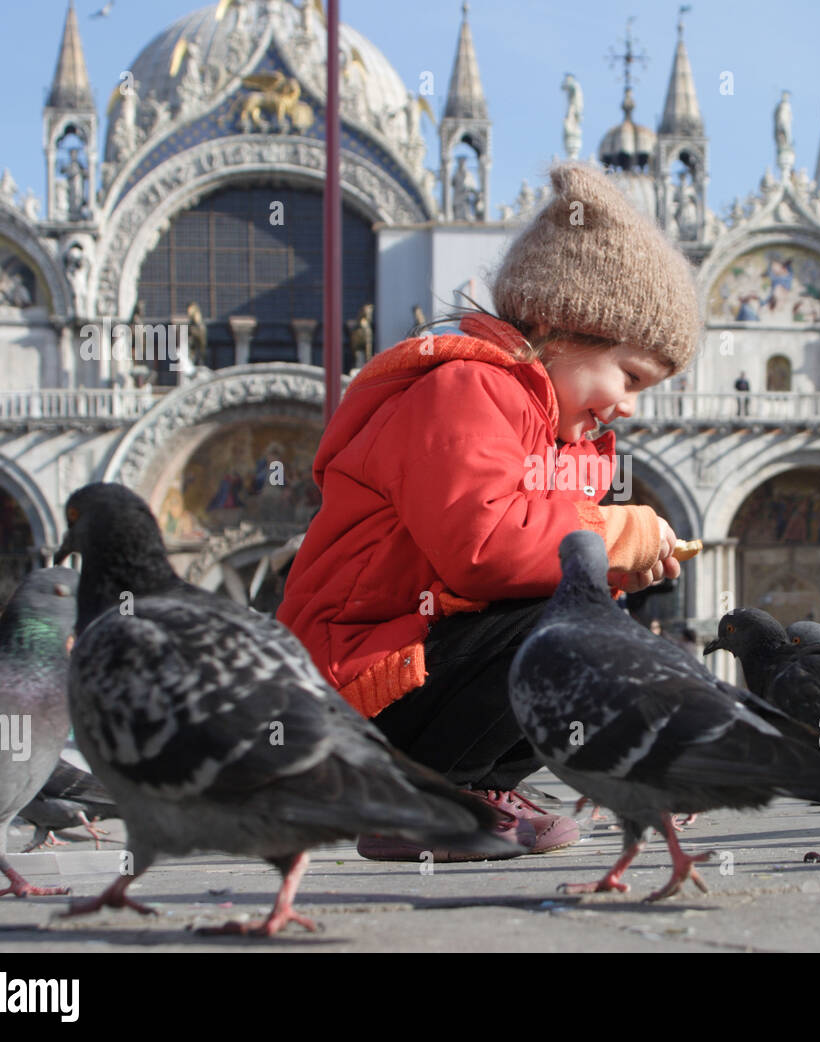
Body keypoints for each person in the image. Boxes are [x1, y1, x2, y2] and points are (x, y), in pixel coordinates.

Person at [277, 162, 698, 862]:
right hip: (351, 686)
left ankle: (474, 782)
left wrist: (618, 566)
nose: (629, 406)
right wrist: (615, 533)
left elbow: (530, 559)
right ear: (565, 330)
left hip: (405, 668)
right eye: (630, 378)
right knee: (565, 626)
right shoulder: (466, 389)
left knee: (589, 625)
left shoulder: (544, 428)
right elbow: (486, 545)